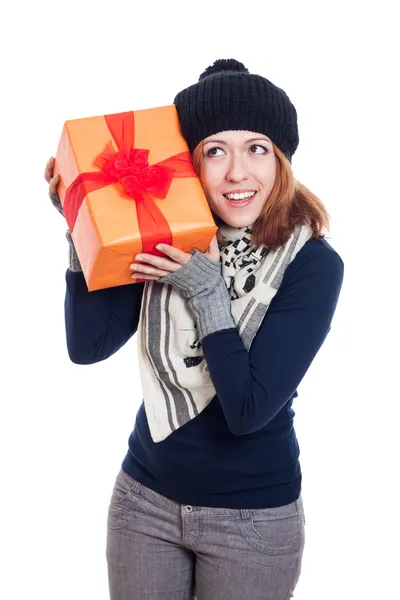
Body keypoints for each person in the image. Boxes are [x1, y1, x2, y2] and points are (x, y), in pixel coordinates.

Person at [45, 59, 344, 600]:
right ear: (188, 165)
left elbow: (248, 409)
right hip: (143, 504)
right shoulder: (163, 238)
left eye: (256, 148)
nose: (236, 172)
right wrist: (83, 228)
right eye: (214, 150)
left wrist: (207, 291)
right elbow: (87, 347)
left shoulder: (312, 264)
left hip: (251, 524)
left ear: (280, 160)